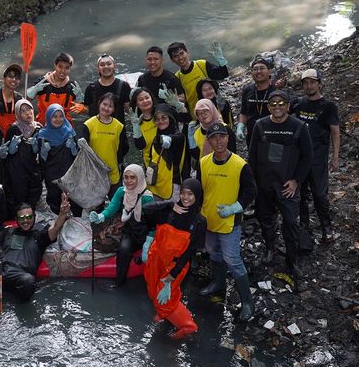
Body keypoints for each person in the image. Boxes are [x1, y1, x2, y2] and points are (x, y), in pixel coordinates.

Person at [248, 90, 313, 281]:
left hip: (287, 184)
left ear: (288, 105)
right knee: (265, 219)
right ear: (268, 107)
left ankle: (291, 260)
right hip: (264, 184)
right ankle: (270, 248)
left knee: (291, 222)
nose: (277, 107)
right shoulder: (260, 125)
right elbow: (252, 156)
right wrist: (252, 184)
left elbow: (308, 157)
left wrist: (296, 181)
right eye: (273, 104)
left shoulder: (299, 126)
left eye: (281, 103)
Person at [197, 123, 257, 322]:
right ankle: (218, 283)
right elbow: (199, 191)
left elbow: (251, 192)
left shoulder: (240, 165)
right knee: (214, 253)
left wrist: (235, 207)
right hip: (209, 219)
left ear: (228, 138)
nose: (219, 141)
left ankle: (247, 302)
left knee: (233, 260)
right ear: (210, 141)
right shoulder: (204, 162)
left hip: (230, 221)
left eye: (222, 136)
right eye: (214, 137)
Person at [0, 195, 71, 302]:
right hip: (1, 273)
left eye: (29, 217)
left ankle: (19, 304)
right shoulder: (8, 231)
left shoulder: (40, 235)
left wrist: (62, 213)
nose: (25, 221)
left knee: (28, 280)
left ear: (34, 217)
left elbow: (56, 227)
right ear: (16, 219)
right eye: (21, 218)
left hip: (20, 277)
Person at [142, 178, 206, 339]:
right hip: (156, 257)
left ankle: (187, 326)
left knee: (164, 297)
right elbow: (146, 208)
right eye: (183, 193)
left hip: (174, 264)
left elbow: (190, 252)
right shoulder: (170, 211)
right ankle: (165, 315)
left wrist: (173, 275)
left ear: (197, 196)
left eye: (190, 194)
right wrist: (170, 204)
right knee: (152, 290)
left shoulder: (200, 221)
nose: (185, 197)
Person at [292, 68, 340, 244]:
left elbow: (335, 132)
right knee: (301, 194)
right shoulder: (298, 104)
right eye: (305, 83)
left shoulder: (328, 106)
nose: (309, 86)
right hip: (299, 158)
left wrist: (335, 157)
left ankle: (327, 229)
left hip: (318, 159)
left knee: (320, 195)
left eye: (312, 82)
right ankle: (304, 227)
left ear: (320, 84)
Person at [89, 164, 154, 287]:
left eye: (132, 177)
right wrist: (100, 216)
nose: (128, 181)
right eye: (126, 177)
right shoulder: (121, 192)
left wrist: (148, 242)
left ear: (139, 178)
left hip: (145, 232)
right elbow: (112, 207)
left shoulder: (147, 198)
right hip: (130, 231)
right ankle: (119, 282)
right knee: (123, 250)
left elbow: (153, 223)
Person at [37, 103, 82, 217]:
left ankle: (76, 221)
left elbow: (76, 156)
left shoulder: (69, 132)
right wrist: (43, 152)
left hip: (68, 172)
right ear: (48, 117)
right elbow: (41, 162)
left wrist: (73, 148)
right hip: (52, 174)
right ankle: (57, 222)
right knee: (54, 200)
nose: (58, 119)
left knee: (74, 201)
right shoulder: (43, 135)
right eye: (54, 116)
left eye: (60, 116)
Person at [82, 93, 129, 199]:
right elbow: (83, 150)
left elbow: (124, 148)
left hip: (113, 172)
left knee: (116, 205)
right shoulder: (88, 125)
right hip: (95, 173)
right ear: (99, 104)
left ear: (114, 109)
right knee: (96, 207)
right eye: (104, 104)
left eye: (110, 106)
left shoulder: (119, 126)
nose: (106, 108)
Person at [0, 99, 43, 213]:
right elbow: (6, 154)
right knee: (18, 198)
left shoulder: (38, 128)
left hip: (32, 168)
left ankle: (32, 217)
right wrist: (10, 150)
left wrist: (37, 148)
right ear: (18, 114)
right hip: (17, 170)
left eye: (29, 109)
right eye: (23, 111)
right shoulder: (13, 129)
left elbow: (41, 151)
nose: (28, 113)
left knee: (34, 194)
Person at [167, 41, 229, 115]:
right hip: (197, 117)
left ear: (187, 52)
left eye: (182, 53)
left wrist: (221, 60)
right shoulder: (177, 78)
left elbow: (223, 74)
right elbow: (183, 101)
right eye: (176, 56)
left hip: (216, 112)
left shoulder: (202, 65)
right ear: (172, 60)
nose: (180, 58)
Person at [26, 52, 87, 126]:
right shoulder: (42, 82)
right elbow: (25, 101)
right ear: (55, 66)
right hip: (43, 126)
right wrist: (33, 91)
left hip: (65, 129)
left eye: (67, 68)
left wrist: (82, 108)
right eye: (60, 67)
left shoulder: (73, 86)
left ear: (70, 69)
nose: (63, 71)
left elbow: (86, 109)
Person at [147, 104, 185, 202]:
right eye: (157, 119)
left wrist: (170, 138)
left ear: (170, 118)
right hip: (156, 185)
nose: (160, 121)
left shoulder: (179, 136)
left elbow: (178, 138)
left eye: (164, 118)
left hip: (172, 186)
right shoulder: (156, 138)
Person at [237, 56, 276, 147]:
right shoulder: (247, 90)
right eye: (255, 69)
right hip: (252, 136)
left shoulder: (275, 92)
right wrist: (240, 126)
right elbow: (244, 112)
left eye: (262, 68)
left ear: (269, 71)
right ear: (251, 72)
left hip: (272, 138)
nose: (258, 71)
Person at [83, 54, 132, 124]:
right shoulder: (91, 88)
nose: (106, 67)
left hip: (118, 131)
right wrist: (80, 106)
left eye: (109, 64)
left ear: (114, 66)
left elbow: (129, 109)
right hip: (97, 131)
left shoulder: (124, 86)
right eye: (102, 65)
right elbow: (87, 110)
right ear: (98, 69)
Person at [188, 99, 236, 167]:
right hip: (206, 169)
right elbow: (197, 156)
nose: (203, 115)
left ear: (212, 110)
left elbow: (233, 152)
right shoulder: (196, 133)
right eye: (199, 113)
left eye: (205, 111)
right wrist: (192, 146)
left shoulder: (225, 129)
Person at [129, 88, 158, 168]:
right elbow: (140, 146)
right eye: (141, 99)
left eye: (147, 98)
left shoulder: (161, 114)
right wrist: (136, 127)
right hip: (152, 165)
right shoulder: (136, 121)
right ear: (136, 104)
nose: (145, 101)